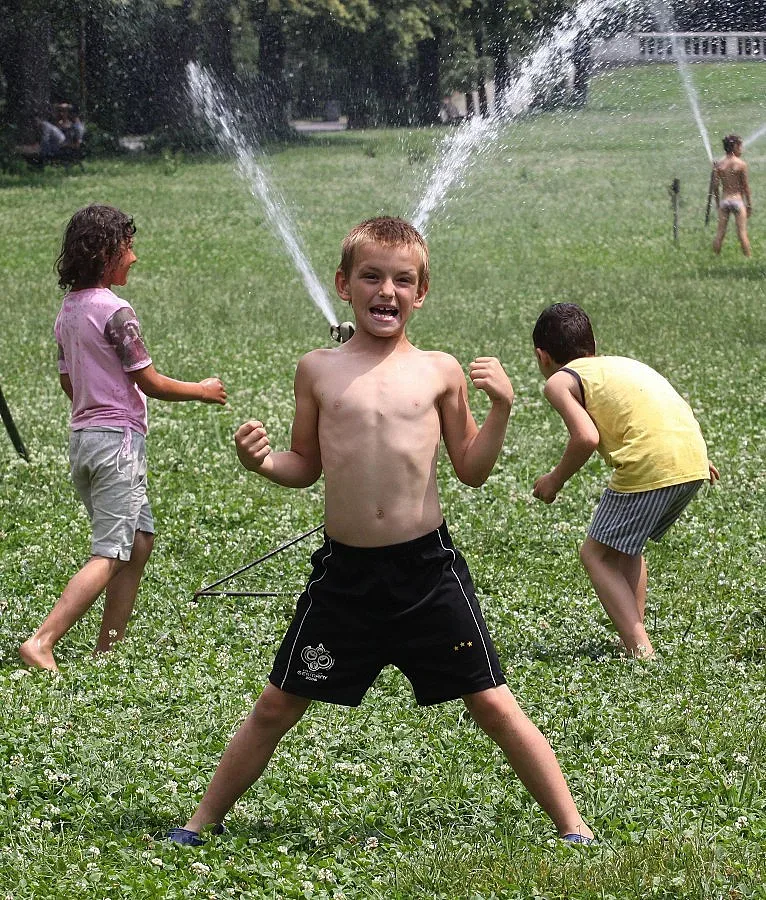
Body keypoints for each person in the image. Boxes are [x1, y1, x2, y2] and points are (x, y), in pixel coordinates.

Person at [167, 217, 594, 848]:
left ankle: (573, 826)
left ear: (422, 293)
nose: (386, 290)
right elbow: (304, 464)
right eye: (371, 276)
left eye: (402, 279)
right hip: (345, 578)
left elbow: (471, 470)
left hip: (427, 573)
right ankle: (200, 822)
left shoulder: (441, 371)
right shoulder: (316, 369)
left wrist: (502, 407)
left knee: (494, 704)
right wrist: (261, 464)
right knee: (277, 704)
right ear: (344, 284)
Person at [19, 205, 227, 672]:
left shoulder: (68, 312)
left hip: (85, 442)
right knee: (111, 551)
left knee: (140, 540)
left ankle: (108, 650)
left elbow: (69, 384)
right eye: (128, 248)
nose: (134, 257)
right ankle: (42, 641)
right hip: (118, 445)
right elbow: (149, 381)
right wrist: (202, 390)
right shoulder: (116, 312)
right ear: (106, 253)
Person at [531, 303, 719, 659]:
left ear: (542, 356)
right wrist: (696, 457)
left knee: (595, 555)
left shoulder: (559, 381)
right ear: (594, 343)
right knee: (626, 548)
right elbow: (666, 405)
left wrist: (554, 480)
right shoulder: (623, 365)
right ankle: (632, 635)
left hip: (649, 464)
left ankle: (639, 648)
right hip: (692, 458)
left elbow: (585, 437)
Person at [711, 134, 752, 257]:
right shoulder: (741, 164)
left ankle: (715, 257)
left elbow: (715, 186)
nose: (742, 149)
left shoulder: (719, 164)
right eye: (740, 146)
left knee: (720, 233)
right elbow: (745, 187)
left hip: (725, 201)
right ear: (734, 147)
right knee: (742, 233)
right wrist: (749, 204)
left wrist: (718, 203)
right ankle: (748, 257)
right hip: (737, 201)